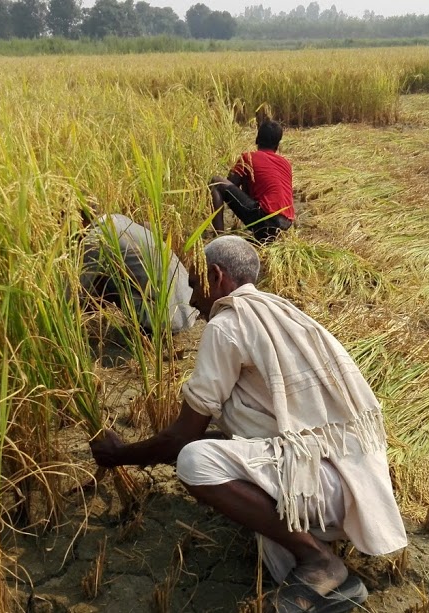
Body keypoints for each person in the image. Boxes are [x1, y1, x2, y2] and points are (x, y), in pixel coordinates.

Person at [90, 236, 407, 613]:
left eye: (193, 284)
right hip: (361, 486)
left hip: (322, 491)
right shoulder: (286, 312)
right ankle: (334, 584)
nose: (191, 297)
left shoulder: (227, 325)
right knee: (226, 452)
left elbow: (181, 439)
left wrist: (118, 455)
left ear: (216, 276)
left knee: (196, 460)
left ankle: (319, 560)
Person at [79, 209, 198, 335]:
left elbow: (79, 293)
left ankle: (148, 331)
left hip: (167, 320)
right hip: (190, 306)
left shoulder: (96, 237)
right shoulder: (119, 220)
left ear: (81, 219)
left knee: (106, 277)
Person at [209, 119, 295, 244]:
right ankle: (262, 237)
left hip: (266, 220)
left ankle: (220, 239)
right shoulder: (286, 164)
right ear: (277, 146)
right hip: (286, 225)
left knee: (216, 182)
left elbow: (230, 186)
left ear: (256, 140)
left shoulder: (248, 158)